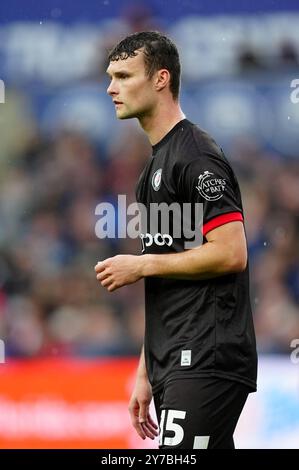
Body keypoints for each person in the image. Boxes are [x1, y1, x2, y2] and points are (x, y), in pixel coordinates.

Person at [95, 31, 257, 449]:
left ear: (160, 79)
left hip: (206, 353)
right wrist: (146, 369)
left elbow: (231, 251)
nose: (111, 87)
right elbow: (170, 275)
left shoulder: (195, 155)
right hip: (174, 357)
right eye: (110, 76)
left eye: (123, 75)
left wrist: (141, 264)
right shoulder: (152, 170)